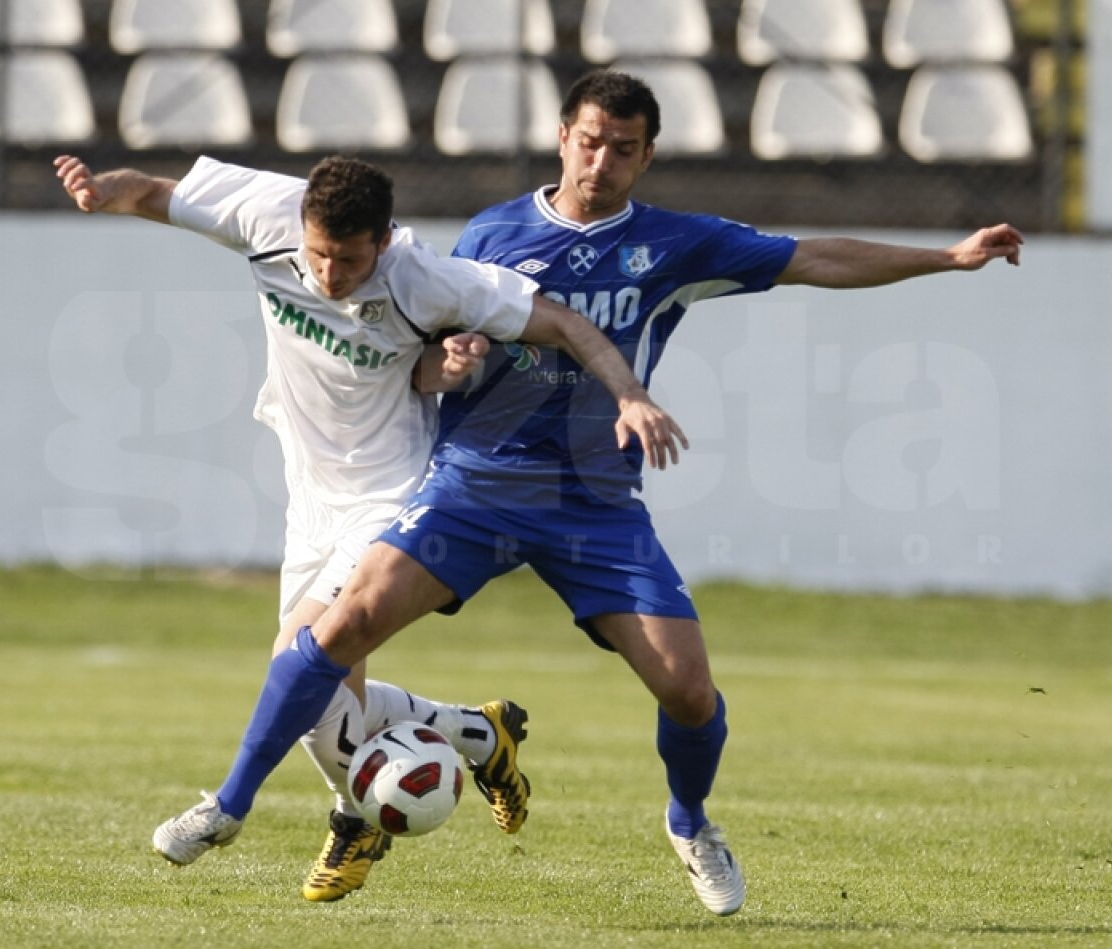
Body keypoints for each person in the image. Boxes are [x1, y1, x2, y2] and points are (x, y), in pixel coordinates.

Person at [131, 67, 1024, 918]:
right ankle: (231, 806)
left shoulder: (677, 244)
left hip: (595, 504)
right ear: (563, 138)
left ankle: (689, 821)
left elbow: (813, 257)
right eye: (590, 142)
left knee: (689, 692)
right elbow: (420, 366)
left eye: (623, 149)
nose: (601, 163)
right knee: (339, 628)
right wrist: (451, 363)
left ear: (646, 157)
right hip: (474, 487)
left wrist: (947, 257)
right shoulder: (486, 238)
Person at [52, 151, 686, 901]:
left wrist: (626, 394)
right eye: (318, 254)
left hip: (391, 491)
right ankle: (476, 736)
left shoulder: (425, 278)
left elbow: (565, 322)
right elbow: (158, 193)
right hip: (310, 494)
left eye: (349, 259)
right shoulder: (268, 212)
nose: (327, 273)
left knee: (303, 659)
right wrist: (105, 193)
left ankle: (240, 809)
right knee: (321, 696)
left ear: (383, 240)